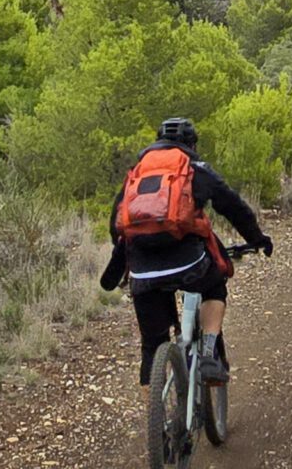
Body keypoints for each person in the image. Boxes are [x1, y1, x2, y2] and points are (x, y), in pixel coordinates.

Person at [99, 117, 272, 399]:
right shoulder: (194, 168)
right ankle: (207, 353)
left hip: (142, 269)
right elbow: (233, 206)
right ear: (192, 144)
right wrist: (256, 239)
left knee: (152, 345)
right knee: (215, 286)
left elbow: (115, 223)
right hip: (189, 263)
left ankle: (159, 426)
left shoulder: (137, 173)